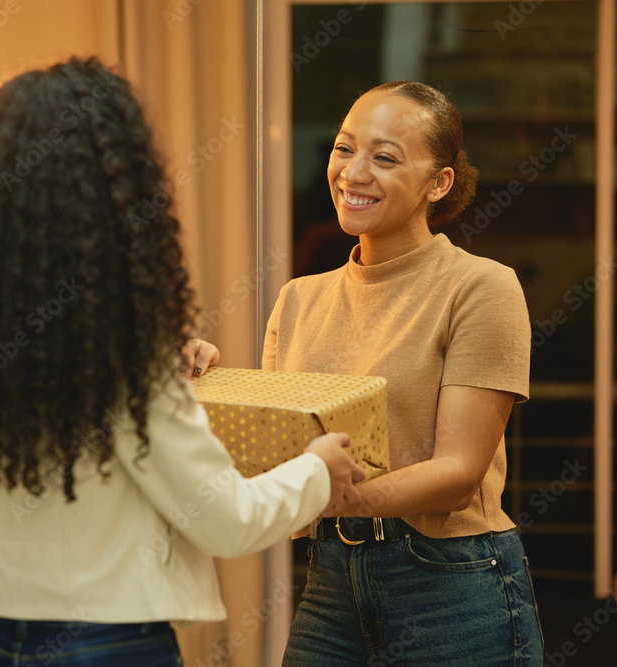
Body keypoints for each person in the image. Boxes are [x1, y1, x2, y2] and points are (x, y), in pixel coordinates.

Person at [0, 57, 364, 667]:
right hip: (105, 643)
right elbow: (226, 521)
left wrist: (161, 360)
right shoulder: (119, 349)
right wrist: (317, 468)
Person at [187, 81, 543, 665]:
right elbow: (267, 461)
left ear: (440, 182)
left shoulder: (479, 287)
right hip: (329, 582)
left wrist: (322, 495)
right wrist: (200, 389)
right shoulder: (299, 299)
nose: (352, 173)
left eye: (384, 157)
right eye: (343, 148)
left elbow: (457, 474)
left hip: (452, 583)